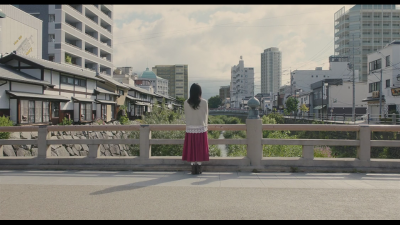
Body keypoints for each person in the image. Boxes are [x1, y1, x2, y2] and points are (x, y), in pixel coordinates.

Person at [182, 83, 209, 174]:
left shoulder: (186, 102)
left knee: (191, 148)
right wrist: (206, 126)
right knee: (200, 148)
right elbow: (206, 115)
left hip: (190, 128)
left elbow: (187, 115)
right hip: (201, 127)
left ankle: (193, 167)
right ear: (199, 92)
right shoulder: (204, 102)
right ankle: (199, 167)